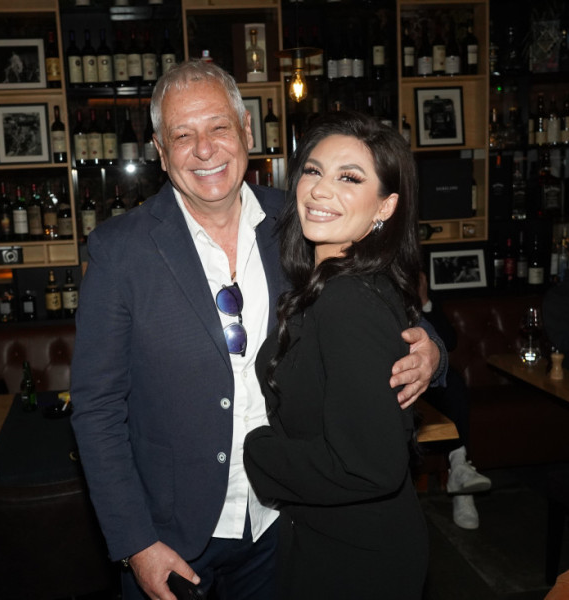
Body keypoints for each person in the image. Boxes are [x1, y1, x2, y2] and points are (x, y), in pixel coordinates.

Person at [70, 60, 444, 600]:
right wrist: (135, 542)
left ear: (246, 129)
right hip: (174, 538)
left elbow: (378, 301)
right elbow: (97, 407)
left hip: (288, 524)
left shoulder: (302, 219)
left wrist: (433, 352)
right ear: (160, 150)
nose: (204, 149)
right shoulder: (119, 251)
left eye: (219, 127)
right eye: (183, 135)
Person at [242, 110, 428, 598]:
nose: (320, 190)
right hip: (329, 536)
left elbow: (370, 466)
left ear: (386, 206)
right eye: (313, 171)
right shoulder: (336, 284)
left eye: (349, 178)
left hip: (356, 559)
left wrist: (256, 450)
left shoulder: (348, 298)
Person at [418, 272, 491, 530]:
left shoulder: (421, 304)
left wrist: (424, 300)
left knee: (453, 381)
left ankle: (460, 472)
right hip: (394, 380)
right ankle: (459, 472)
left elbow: (449, 342)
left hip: (428, 382)